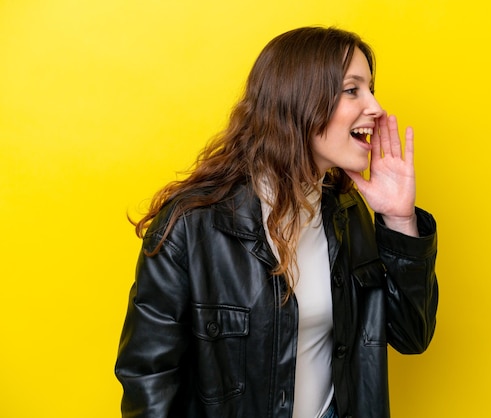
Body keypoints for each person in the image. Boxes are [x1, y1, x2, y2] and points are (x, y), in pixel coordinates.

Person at [115, 26, 439, 418]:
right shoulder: (192, 227)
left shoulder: (347, 214)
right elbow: (147, 380)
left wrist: (399, 218)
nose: (375, 107)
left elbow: (411, 334)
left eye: (370, 88)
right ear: (299, 99)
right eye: (352, 90)